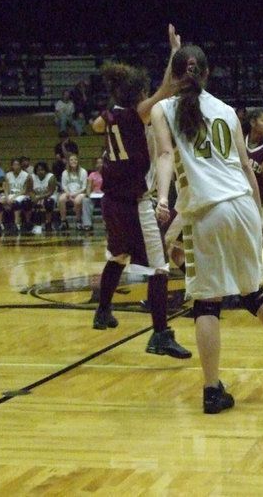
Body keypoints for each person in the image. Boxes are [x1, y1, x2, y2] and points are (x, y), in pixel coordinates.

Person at [152, 43, 263, 414]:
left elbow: (164, 154)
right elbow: (245, 167)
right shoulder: (227, 111)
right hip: (242, 204)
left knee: (207, 302)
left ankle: (212, 391)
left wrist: (162, 197)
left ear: (174, 76)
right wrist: (260, 217)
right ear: (207, 74)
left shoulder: (164, 108)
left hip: (208, 209)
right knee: (253, 292)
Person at [90, 23, 191, 360]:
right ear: (136, 93)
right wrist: (174, 53)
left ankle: (103, 312)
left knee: (118, 256)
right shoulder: (137, 114)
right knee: (159, 267)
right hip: (134, 202)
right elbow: (167, 88)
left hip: (110, 202)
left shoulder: (106, 118)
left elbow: (96, 126)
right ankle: (160, 334)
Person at [0, 157, 32, 234]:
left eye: (17, 164)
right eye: (14, 164)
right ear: (11, 166)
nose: (16, 166)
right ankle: (0, 224)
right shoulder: (8, 175)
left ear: (20, 165)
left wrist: (14, 197)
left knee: (15, 202)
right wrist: (6, 197)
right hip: (11, 194)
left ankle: (16, 223)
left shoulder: (26, 175)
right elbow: (6, 188)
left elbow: (24, 190)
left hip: (21, 194)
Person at [57, 154, 88, 231]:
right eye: (71, 160)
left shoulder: (83, 171)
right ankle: (64, 221)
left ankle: (78, 221)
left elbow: (84, 187)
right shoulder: (65, 172)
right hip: (68, 193)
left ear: (78, 161)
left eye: (75, 159)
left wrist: (75, 194)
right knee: (61, 199)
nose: (73, 161)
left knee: (77, 201)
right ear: (68, 162)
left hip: (80, 193)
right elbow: (64, 186)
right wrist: (68, 193)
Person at [28, 161, 57, 232]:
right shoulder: (32, 177)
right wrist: (33, 197)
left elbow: (51, 192)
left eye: (42, 170)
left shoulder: (51, 177)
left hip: (49, 196)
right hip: (37, 196)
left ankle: (48, 223)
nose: (40, 172)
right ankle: (29, 223)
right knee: (27, 202)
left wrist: (39, 198)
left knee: (49, 202)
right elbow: (30, 190)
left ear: (46, 170)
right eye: (38, 170)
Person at [82, 156, 104, 232]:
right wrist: (88, 194)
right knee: (86, 200)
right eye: (98, 163)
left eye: (101, 163)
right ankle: (87, 224)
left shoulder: (109, 174)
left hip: (104, 196)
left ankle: (107, 224)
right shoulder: (92, 174)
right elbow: (88, 187)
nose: (99, 165)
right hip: (95, 195)